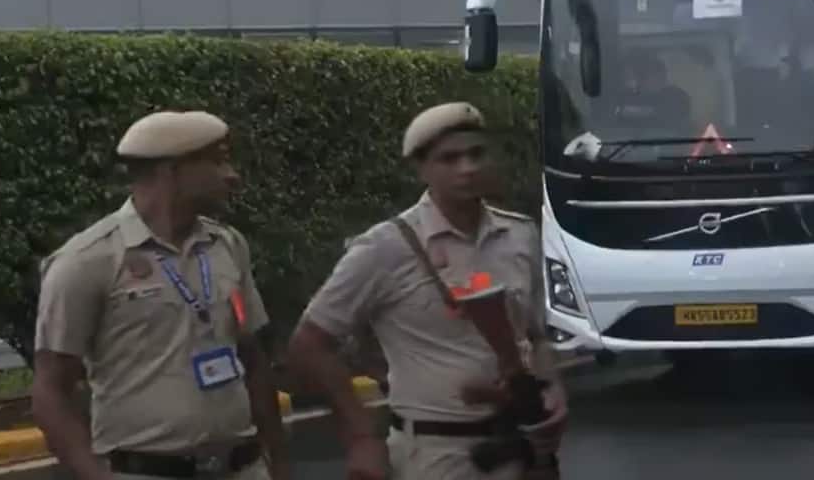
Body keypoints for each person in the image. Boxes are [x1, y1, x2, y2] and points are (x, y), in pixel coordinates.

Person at [288, 102, 568, 480]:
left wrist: (553, 389)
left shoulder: (518, 234)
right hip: (437, 454)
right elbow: (309, 343)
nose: (467, 168)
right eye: (448, 159)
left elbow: (535, 335)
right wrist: (360, 436)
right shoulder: (385, 247)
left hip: (521, 447)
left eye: (476, 154)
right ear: (422, 169)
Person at [32, 111, 286, 480]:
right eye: (217, 161)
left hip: (243, 467)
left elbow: (252, 357)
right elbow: (51, 389)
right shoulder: (88, 261)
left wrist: (278, 464)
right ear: (171, 171)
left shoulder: (227, 245)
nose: (232, 175)